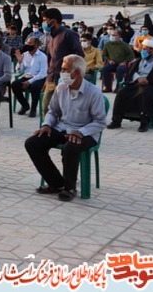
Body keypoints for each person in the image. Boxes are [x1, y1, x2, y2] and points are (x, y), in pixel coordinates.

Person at [24, 54, 106, 201]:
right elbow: (53, 111)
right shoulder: (61, 88)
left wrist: (81, 132)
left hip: (87, 132)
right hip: (63, 128)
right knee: (33, 143)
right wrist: (47, 124)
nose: (62, 73)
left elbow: (100, 122)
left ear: (77, 72)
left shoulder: (93, 92)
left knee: (70, 147)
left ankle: (70, 188)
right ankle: (56, 183)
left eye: (65, 69)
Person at [107, 39, 153, 132]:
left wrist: (148, 81)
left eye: (145, 49)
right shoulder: (139, 61)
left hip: (150, 85)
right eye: (142, 48)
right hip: (135, 83)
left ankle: (144, 123)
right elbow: (131, 72)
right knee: (121, 93)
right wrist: (138, 78)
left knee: (146, 95)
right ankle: (116, 121)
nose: (143, 51)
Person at [41, 8, 83, 116]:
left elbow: (79, 55)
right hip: (52, 79)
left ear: (53, 20)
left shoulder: (69, 34)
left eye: (45, 20)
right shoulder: (51, 38)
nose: (44, 23)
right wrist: (47, 79)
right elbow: (50, 60)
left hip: (66, 79)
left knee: (65, 112)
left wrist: (71, 75)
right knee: (46, 109)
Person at [12, 37, 48, 118]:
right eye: (27, 43)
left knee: (35, 87)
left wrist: (29, 82)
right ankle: (25, 105)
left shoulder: (42, 56)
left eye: (30, 44)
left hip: (38, 78)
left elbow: (43, 73)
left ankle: (33, 109)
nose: (27, 45)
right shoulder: (25, 55)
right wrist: (19, 62)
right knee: (14, 85)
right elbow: (20, 71)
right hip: (27, 76)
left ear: (36, 45)